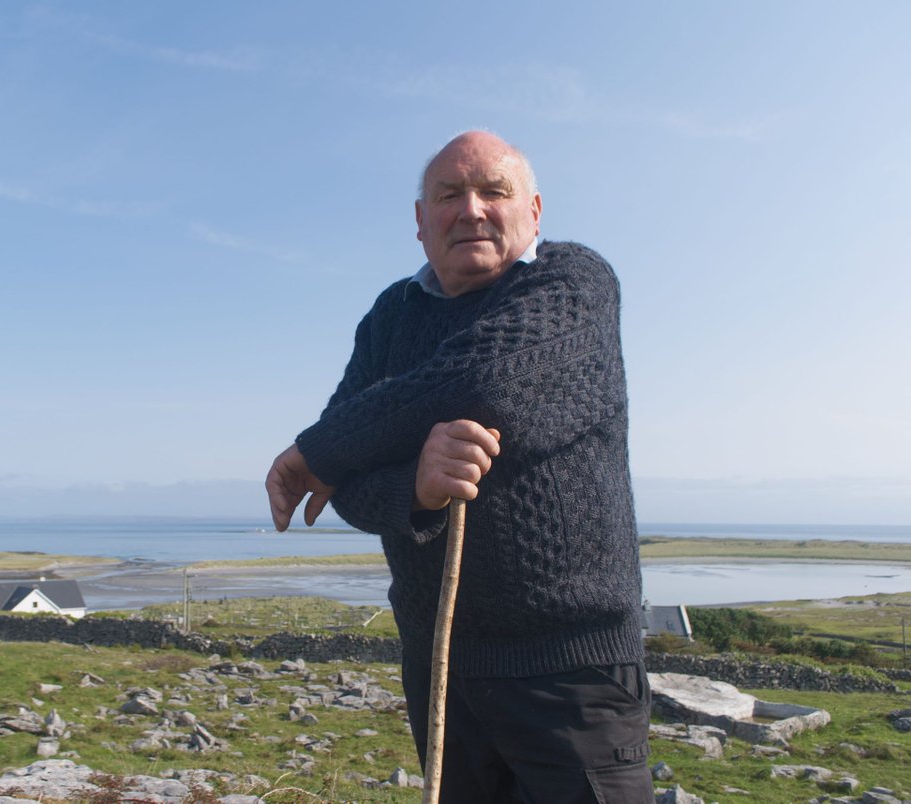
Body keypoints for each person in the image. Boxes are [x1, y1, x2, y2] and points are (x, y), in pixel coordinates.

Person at [265, 130, 652, 803]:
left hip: (571, 672)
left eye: (493, 192)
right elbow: (345, 489)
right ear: (420, 222)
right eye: (449, 195)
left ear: (533, 210)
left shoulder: (575, 282)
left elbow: (486, 377)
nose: (471, 209)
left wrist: (317, 451)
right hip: (439, 666)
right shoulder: (391, 316)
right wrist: (413, 486)